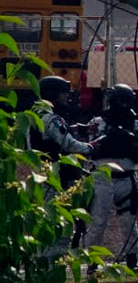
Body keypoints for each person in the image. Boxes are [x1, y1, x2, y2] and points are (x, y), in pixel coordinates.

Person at [86, 84, 138, 271]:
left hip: (127, 178)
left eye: (126, 102)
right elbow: (88, 147)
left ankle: (132, 261)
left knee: (128, 222)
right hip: (102, 178)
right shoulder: (98, 123)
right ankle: (92, 263)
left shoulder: (137, 126)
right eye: (119, 102)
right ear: (111, 102)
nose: (123, 106)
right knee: (98, 221)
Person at [28, 75, 93, 255]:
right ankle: (53, 266)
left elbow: (52, 135)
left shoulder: (35, 115)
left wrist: (79, 128)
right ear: (53, 95)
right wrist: (91, 147)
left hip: (41, 174)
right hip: (56, 178)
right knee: (61, 226)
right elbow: (69, 144)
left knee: (46, 223)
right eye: (64, 94)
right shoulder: (53, 118)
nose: (67, 98)